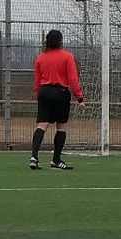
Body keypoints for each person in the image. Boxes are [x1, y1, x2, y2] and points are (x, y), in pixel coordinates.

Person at [30, 29, 85, 170]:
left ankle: (34, 157)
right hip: (61, 93)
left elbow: (37, 79)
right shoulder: (67, 56)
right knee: (61, 127)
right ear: (60, 41)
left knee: (42, 125)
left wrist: (37, 92)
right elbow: (73, 79)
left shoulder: (40, 57)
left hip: (44, 92)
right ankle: (56, 160)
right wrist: (79, 98)